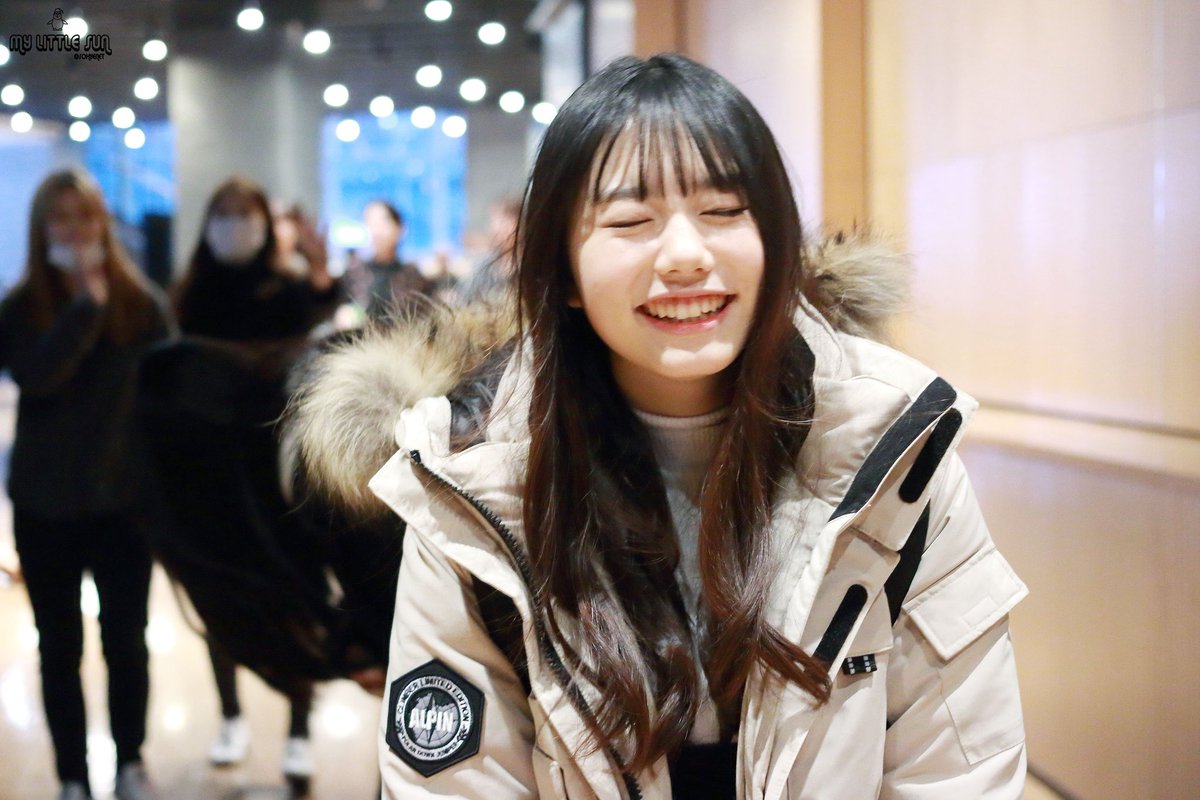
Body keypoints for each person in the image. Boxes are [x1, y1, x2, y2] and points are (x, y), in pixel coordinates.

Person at [292, 54, 1028, 798]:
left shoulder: (895, 451)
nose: (684, 255)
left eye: (724, 211)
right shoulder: (473, 480)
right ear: (563, 271)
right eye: (630, 222)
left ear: (775, 242)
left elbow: (958, 769)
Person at [0, 169, 174, 800]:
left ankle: (130, 762)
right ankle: (72, 776)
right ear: (41, 228)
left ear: (105, 223)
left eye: (86, 216)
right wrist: (83, 310)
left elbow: (168, 397)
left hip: (122, 504)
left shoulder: (143, 305)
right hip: (45, 504)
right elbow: (36, 374)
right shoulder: (20, 308)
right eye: (61, 218)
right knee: (59, 648)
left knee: (126, 642)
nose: (75, 231)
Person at [167, 176, 337, 784]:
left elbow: (317, 322)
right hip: (208, 467)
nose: (234, 224)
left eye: (246, 213)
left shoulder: (285, 286)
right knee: (219, 592)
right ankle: (231, 716)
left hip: (276, 464)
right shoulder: (189, 291)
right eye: (225, 213)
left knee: (294, 590)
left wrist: (319, 270)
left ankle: (299, 725)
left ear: (264, 223)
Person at [358, 200, 435, 322]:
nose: (376, 231)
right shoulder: (356, 272)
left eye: (382, 223)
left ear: (399, 228)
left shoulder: (412, 275)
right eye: (370, 223)